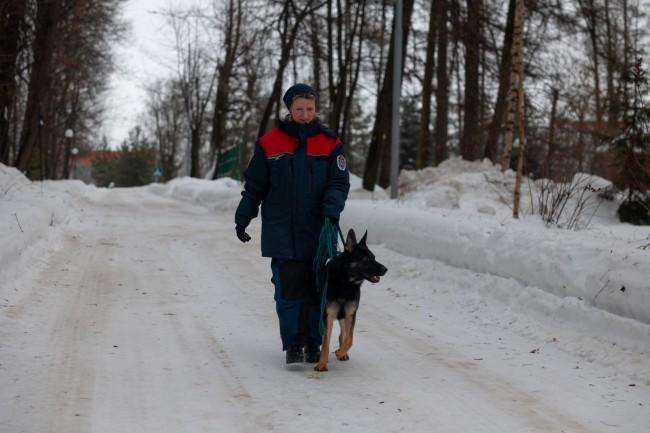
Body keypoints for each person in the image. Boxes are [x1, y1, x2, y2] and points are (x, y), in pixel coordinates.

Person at [234, 83, 350, 364]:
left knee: (316, 289)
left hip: (317, 229)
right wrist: (243, 218)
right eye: (299, 109)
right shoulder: (269, 143)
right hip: (282, 230)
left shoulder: (330, 143)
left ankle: (314, 342)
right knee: (287, 290)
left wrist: (331, 210)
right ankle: (293, 344)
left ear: (316, 109)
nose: (305, 114)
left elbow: (338, 182)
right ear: (289, 109)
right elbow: (255, 186)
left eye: (309, 109)